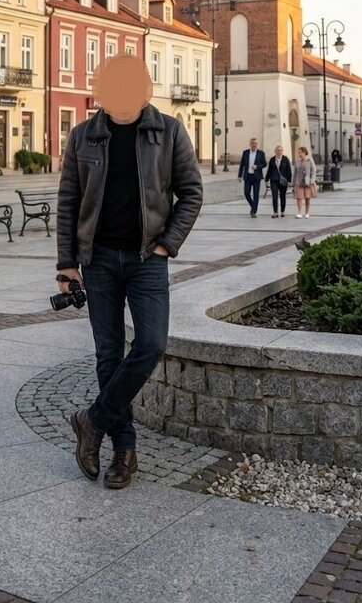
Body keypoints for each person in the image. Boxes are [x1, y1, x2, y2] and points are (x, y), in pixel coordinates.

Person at [56, 54, 203, 489]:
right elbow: (68, 203)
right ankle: (124, 449)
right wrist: (66, 264)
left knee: (152, 344)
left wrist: (165, 245)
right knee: (108, 354)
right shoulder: (84, 135)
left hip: (146, 260)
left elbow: (191, 193)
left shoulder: (168, 131)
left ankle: (92, 420)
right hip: (98, 259)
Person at [238, 137, 267, 217]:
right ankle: (253, 206)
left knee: (256, 194)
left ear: (257, 144)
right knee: (246, 193)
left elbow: (264, 164)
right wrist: (240, 175)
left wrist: (257, 166)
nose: (254, 145)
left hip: (256, 177)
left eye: (255, 143)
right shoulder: (245, 153)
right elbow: (242, 165)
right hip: (248, 176)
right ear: (250, 144)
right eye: (253, 143)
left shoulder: (261, 153)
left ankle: (253, 211)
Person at [265, 145, 292, 218]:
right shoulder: (272, 159)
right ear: (275, 151)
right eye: (277, 150)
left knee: (282, 196)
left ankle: (282, 211)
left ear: (282, 151)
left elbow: (288, 170)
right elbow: (269, 170)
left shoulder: (285, 159)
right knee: (274, 196)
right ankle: (275, 212)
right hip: (274, 180)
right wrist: (266, 179)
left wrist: (289, 180)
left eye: (280, 150)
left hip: (283, 181)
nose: (279, 152)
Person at [292, 146, 317, 218]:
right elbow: (295, 173)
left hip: (307, 182)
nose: (299, 154)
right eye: (298, 152)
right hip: (299, 182)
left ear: (304, 152)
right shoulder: (297, 161)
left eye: (300, 152)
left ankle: (307, 213)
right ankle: (299, 213)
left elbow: (313, 171)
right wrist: (293, 183)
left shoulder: (310, 160)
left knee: (307, 198)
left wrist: (312, 180)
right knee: (299, 198)